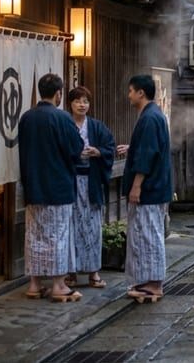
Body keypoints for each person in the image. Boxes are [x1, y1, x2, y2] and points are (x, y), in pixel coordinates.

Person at [18, 73, 84, 302]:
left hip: (33, 185)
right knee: (57, 235)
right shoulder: (63, 119)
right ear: (59, 94)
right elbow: (76, 149)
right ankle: (58, 285)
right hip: (58, 186)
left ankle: (34, 284)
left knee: (34, 235)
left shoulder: (26, 118)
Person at [116, 74, 172, 303]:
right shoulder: (154, 115)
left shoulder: (149, 118)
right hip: (158, 186)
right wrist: (133, 147)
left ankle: (153, 283)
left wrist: (136, 185)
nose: (128, 96)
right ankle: (149, 281)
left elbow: (147, 155)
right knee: (150, 233)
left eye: (131, 91)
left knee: (148, 235)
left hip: (149, 188)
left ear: (140, 93)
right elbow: (150, 148)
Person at [63, 86, 116, 290]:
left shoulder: (96, 126)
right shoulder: (66, 125)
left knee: (93, 227)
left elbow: (109, 146)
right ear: (70, 103)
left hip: (91, 181)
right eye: (77, 101)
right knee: (71, 226)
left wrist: (99, 152)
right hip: (72, 181)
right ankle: (71, 271)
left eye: (85, 101)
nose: (82, 105)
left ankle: (94, 272)